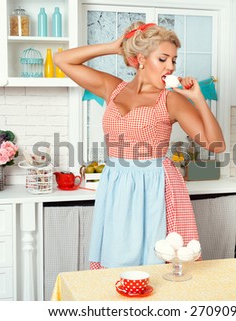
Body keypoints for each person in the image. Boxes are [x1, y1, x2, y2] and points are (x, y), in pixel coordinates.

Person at [54, 21, 225, 269]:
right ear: (141, 58)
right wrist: (115, 47)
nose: (171, 67)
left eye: (174, 61)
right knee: (116, 263)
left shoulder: (172, 99)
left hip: (156, 185)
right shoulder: (113, 89)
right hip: (116, 182)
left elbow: (216, 145)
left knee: (157, 263)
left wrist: (198, 99)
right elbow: (62, 60)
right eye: (163, 59)